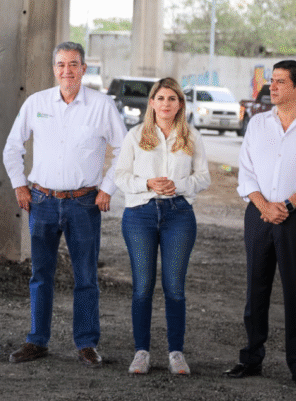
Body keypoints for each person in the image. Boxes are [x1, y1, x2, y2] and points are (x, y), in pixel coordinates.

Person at [2, 41, 126, 367]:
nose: (67, 71)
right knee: (40, 275)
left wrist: (107, 189)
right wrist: (19, 185)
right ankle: (37, 341)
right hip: (41, 201)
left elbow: (125, 150)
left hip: (84, 203)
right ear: (54, 68)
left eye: (73, 64)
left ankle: (86, 343)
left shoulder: (102, 105)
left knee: (86, 277)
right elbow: (12, 147)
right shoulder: (37, 102)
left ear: (84, 68)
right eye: (61, 64)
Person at [224, 60, 296, 389]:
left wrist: (287, 205)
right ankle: (251, 358)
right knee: (256, 288)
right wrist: (264, 206)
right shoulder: (258, 123)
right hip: (259, 216)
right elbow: (246, 171)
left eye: (279, 82)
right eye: (272, 81)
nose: (271, 87)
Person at [114, 78, 210, 375]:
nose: (166, 103)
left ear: (180, 104)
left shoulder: (191, 136)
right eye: (161, 98)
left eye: (172, 98)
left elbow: (203, 177)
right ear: (152, 103)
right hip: (140, 215)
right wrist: (147, 183)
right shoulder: (135, 135)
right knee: (142, 287)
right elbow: (120, 176)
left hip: (178, 215)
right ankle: (141, 352)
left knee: (175, 288)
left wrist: (176, 186)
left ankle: (176, 353)